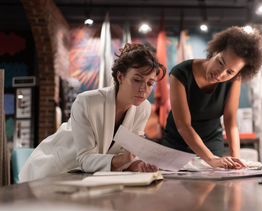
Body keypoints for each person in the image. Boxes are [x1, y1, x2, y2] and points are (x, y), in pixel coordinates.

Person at [19, 43, 166, 182]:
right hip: (53, 172)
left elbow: (126, 152)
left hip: (86, 176)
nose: (144, 89)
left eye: (150, 83)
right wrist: (123, 160)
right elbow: (85, 159)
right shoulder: (88, 102)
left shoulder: (143, 108)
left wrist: (133, 164)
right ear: (120, 77)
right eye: (137, 80)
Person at [162, 26, 262, 169]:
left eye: (230, 72)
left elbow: (230, 122)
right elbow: (183, 126)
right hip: (177, 144)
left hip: (211, 143)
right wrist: (210, 159)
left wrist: (236, 160)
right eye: (220, 62)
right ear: (216, 51)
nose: (220, 74)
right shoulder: (180, 73)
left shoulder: (235, 80)